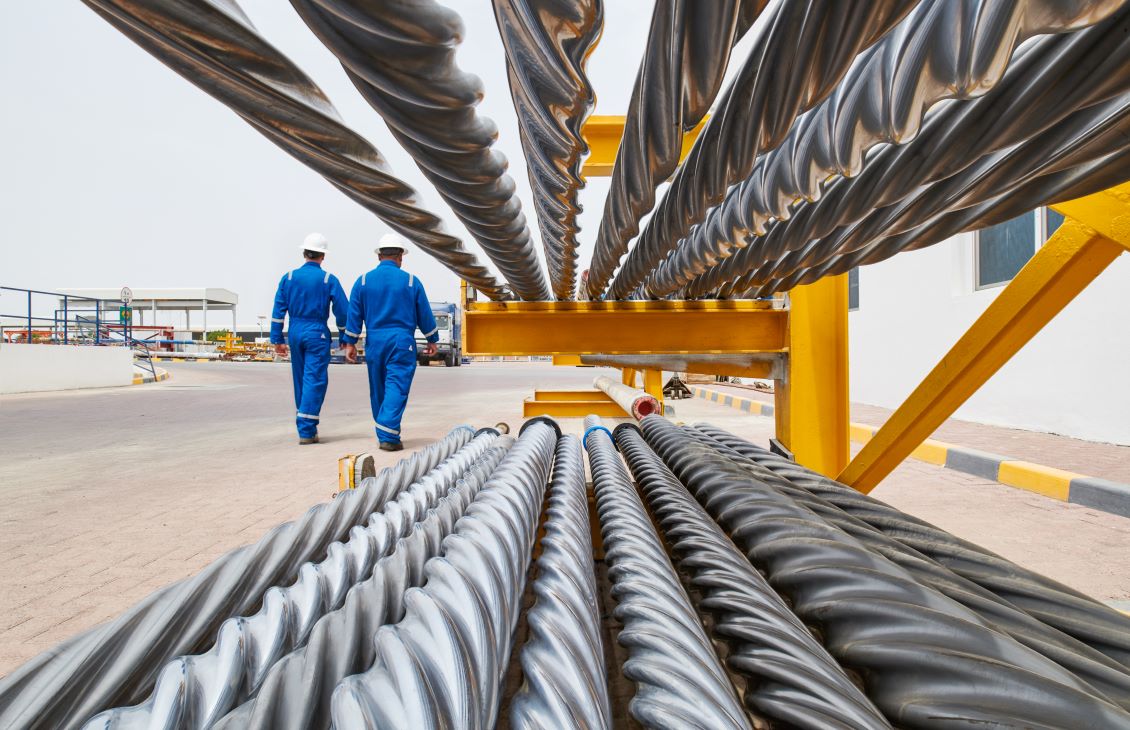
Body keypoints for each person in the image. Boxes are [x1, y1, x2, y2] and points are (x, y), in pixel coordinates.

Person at [340, 233, 439, 451]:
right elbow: (425, 314)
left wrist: (350, 344)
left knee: (378, 388)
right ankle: (388, 433)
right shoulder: (411, 281)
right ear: (400, 256)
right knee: (397, 385)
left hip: (375, 341)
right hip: (402, 341)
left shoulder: (363, 281)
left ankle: (385, 429)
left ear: (379, 256)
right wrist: (432, 339)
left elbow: (354, 316)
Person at [270, 232, 349, 444]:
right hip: (317, 332)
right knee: (315, 379)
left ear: (304, 253)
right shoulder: (328, 280)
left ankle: (304, 420)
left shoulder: (288, 278)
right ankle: (306, 429)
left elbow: (278, 312)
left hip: (295, 332)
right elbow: (342, 311)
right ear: (323, 256)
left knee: (300, 379)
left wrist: (277, 339)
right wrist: (345, 335)